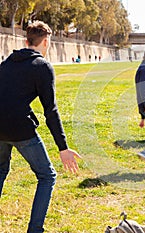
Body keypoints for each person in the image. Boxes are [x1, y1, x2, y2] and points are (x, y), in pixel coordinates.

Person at [0, 21, 81, 233]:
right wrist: (63, 148)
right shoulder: (42, 66)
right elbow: (51, 111)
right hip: (20, 129)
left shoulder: (7, 63)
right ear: (45, 42)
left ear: (26, 40)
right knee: (47, 176)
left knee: (0, 171)